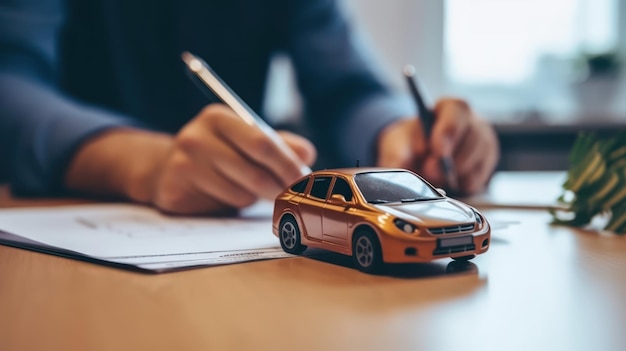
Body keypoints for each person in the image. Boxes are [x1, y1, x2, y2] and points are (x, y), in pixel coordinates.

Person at [0, 0, 499, 215]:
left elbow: (345, 87)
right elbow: (10, 82)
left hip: (237, 242)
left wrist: (399, 137)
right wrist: (144, 164)